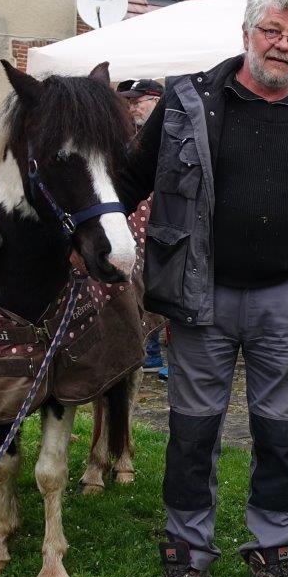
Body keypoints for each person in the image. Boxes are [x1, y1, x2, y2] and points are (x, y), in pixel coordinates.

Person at [121, 0, 288, 577]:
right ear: (247, 33)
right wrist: (87, 235)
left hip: (286, 302)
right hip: (198, 297)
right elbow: (126, 178)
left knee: (281, 434)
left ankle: (272, 555)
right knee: (192, 431)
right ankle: (186, 557)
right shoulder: (185, 102)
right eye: (272, 32)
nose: (282, 46)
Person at [116, 78, 169, 376]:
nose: (132, 106)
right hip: (134, 229)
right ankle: (147, 354)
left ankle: (154, 353)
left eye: (138, 101)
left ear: (158, 99)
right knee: (136, 288)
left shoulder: (174, 134)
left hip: (163, 228)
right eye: (129, 101)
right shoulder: (128, 136)